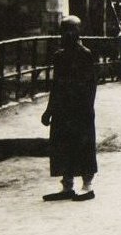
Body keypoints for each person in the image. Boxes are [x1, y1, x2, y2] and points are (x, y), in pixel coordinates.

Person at [41, 16, 98, 201]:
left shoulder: (86, 54)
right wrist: (49, 110)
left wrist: (87, 109)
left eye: (71, 30)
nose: (67, 34)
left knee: (83, 145)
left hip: (80, 109)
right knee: (62, 146)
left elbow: (91, 85)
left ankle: (87, 185)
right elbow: (56, 85)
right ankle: (67, 185)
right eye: (64, 30)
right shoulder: (59, 57)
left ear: (79, 32)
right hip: (62, 109)